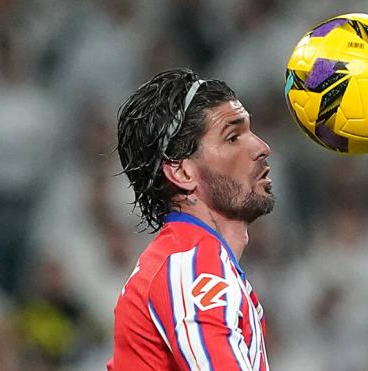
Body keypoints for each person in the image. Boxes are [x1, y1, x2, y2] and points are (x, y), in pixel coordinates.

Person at [108, 68, 274, 370]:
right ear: (182, 173)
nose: (262, 148)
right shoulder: (192, 267)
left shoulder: (194, 264)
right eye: (233, 137)